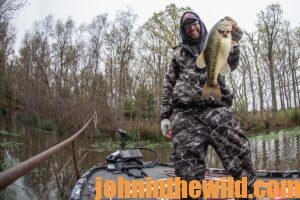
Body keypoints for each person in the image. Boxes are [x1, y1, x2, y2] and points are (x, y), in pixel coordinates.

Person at [160, 11, 256, 199]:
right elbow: (169, 83)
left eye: (194, 23)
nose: (192, 28)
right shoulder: (178, 54)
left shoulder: (216, 40)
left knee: (240, 156)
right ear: (183, 30)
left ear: (201, 24)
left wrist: (235, 38)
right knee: (187, 172)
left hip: (218, 109)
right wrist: (164, 116)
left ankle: (247, 194)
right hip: (186, 114)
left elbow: (232, 63)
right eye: (187, 26)